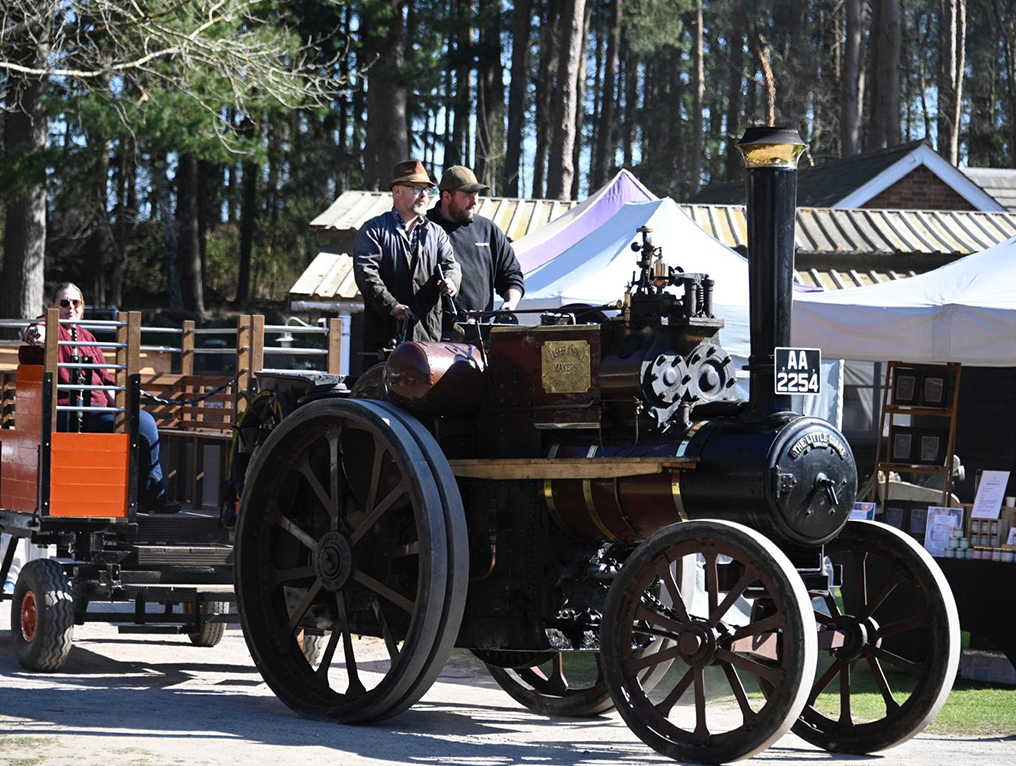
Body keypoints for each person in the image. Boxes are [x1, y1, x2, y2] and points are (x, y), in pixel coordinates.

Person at [19, 283, 177, 513]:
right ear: (53, 306)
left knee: (143, 422)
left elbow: (106, 383)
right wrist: (34, 333)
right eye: (64, 303)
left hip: (96, 410)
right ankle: (152, 496)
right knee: (141, 424)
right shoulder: (51, 327)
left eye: (76, 303)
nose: (70, 308)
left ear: (82, 307)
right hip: (63, 412)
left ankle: (147, 495)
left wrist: (125, 411)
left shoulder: (88, 338)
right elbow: (38, 331)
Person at [353, 159, 461, 358]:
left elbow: (451, 265)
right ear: (397, 191)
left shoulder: (436, 233)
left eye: (426, 190)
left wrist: (451, 281)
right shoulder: (373, 230)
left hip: (428, 342)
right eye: (416, 188)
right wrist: (391, 305)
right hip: (384, 343)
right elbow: (366, 273)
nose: (423, 195)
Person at [427, 165, 525, 333]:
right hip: (434, 333)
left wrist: (509, 304)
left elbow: (512, 275)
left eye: (476, 195)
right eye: (467, 196)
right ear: (446, 196)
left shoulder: (488, 229)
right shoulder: (424, 227)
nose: (474, 201)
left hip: (481, 332)